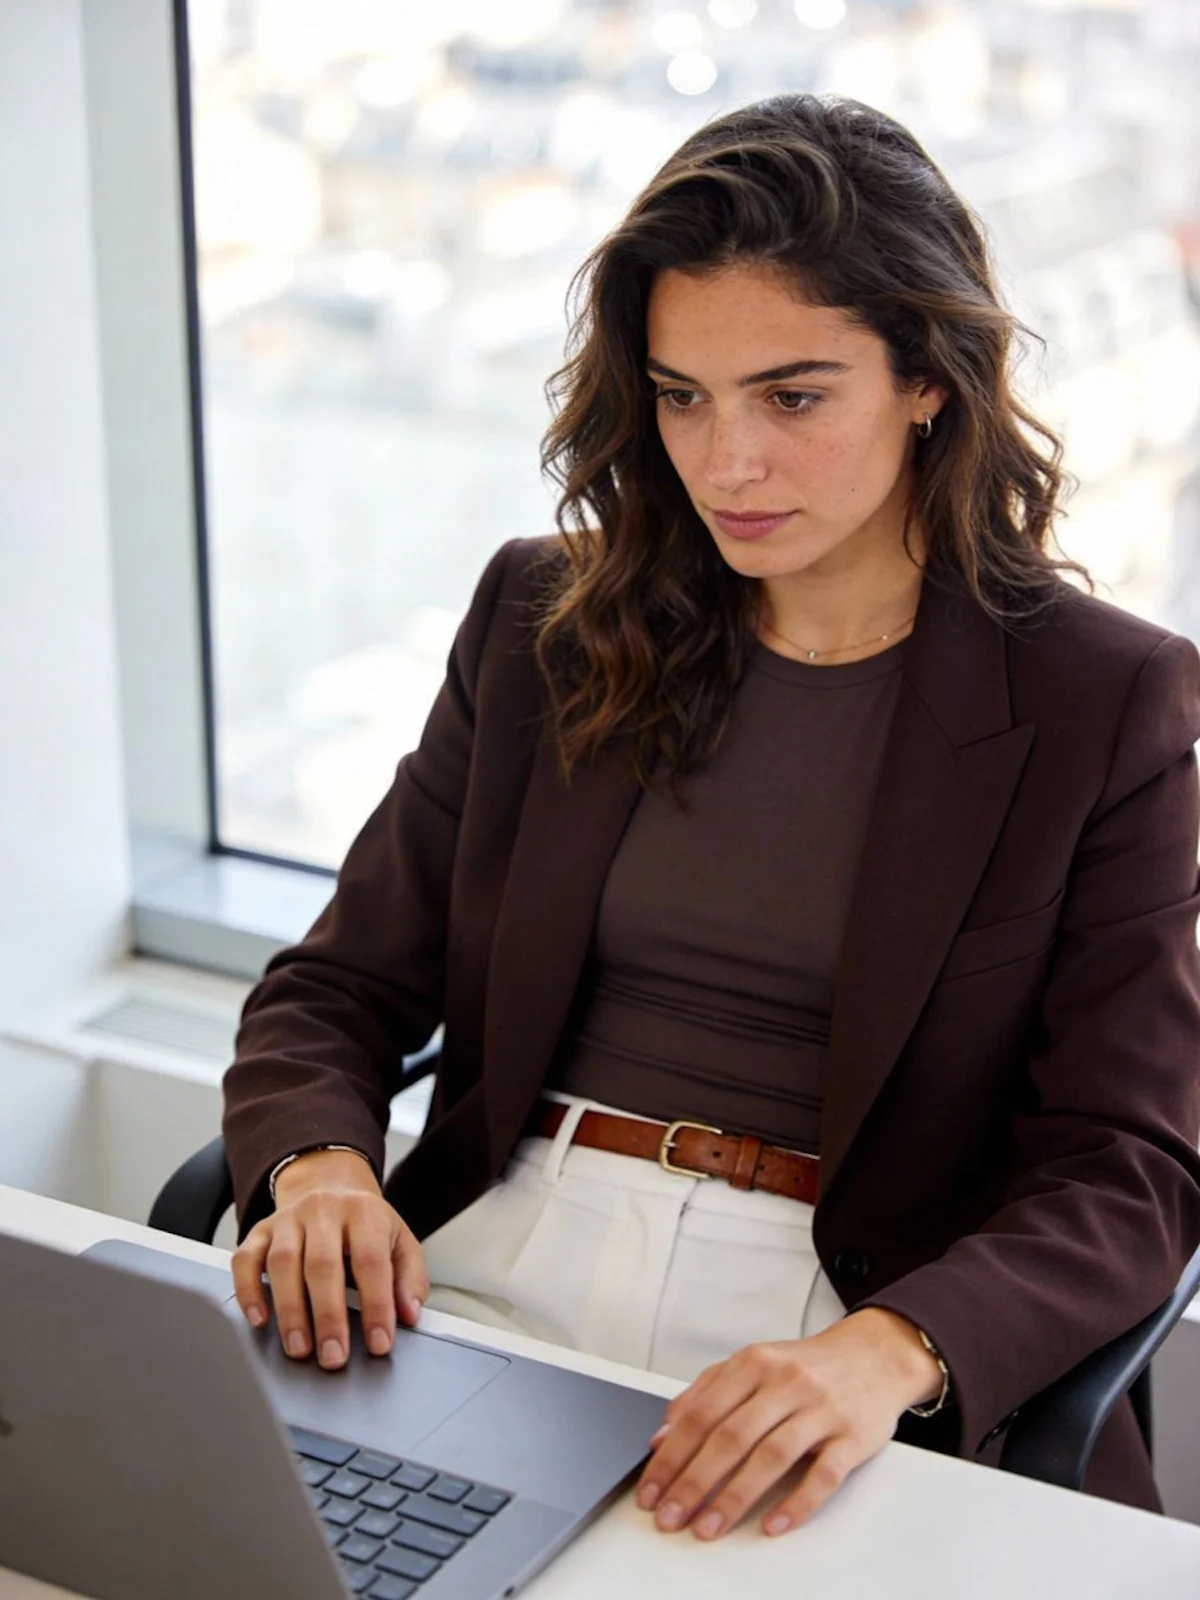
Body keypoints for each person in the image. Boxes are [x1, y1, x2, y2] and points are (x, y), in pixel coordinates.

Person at [222, 94, 1200, 1536]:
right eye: (683, 395)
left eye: (792, 398)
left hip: (835, 1307)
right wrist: (316, 1174)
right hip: (498, 1249)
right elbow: (339, 985)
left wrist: (891, 1355)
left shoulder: (1103, 699)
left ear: (930, 378)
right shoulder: (540, 621)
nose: (726, 460)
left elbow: (1129, 1162)